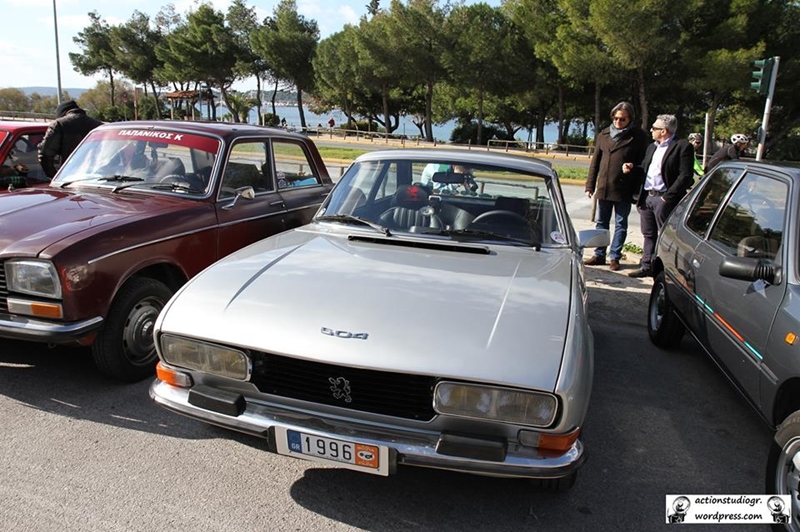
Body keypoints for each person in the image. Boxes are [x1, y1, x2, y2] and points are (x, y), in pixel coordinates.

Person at [626, 114, 695, 278]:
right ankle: (646, 265)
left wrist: (667, 198)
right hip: (647, 197)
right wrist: (632, 168)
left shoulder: (682, 146)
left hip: (665, 199)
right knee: (648, 234)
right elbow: (645, 168)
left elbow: (685, 176)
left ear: (664, 131)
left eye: (654, 128)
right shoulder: (652, 147)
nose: (651, 130)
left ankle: (669, 270)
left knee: (668, 237)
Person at [583, 101, 647, 271]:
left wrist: (633, 168)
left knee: (620, 223)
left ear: (630, 119)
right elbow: (595, 162)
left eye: (623, 119)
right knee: (601, 223)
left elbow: (644, 163)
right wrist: (590, 185)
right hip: (604, 186)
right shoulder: (604, 134)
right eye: (616, 118)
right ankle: (599, 254)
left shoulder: (638, 137)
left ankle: (615, 257)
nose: (618, 122)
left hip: (624, 188)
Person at [38, 100, 102, 178]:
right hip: (96, 177)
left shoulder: (59, 124)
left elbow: (45, 154)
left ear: (62, 113)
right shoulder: (99, 126)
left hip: (69, 178)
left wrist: (55, 176)